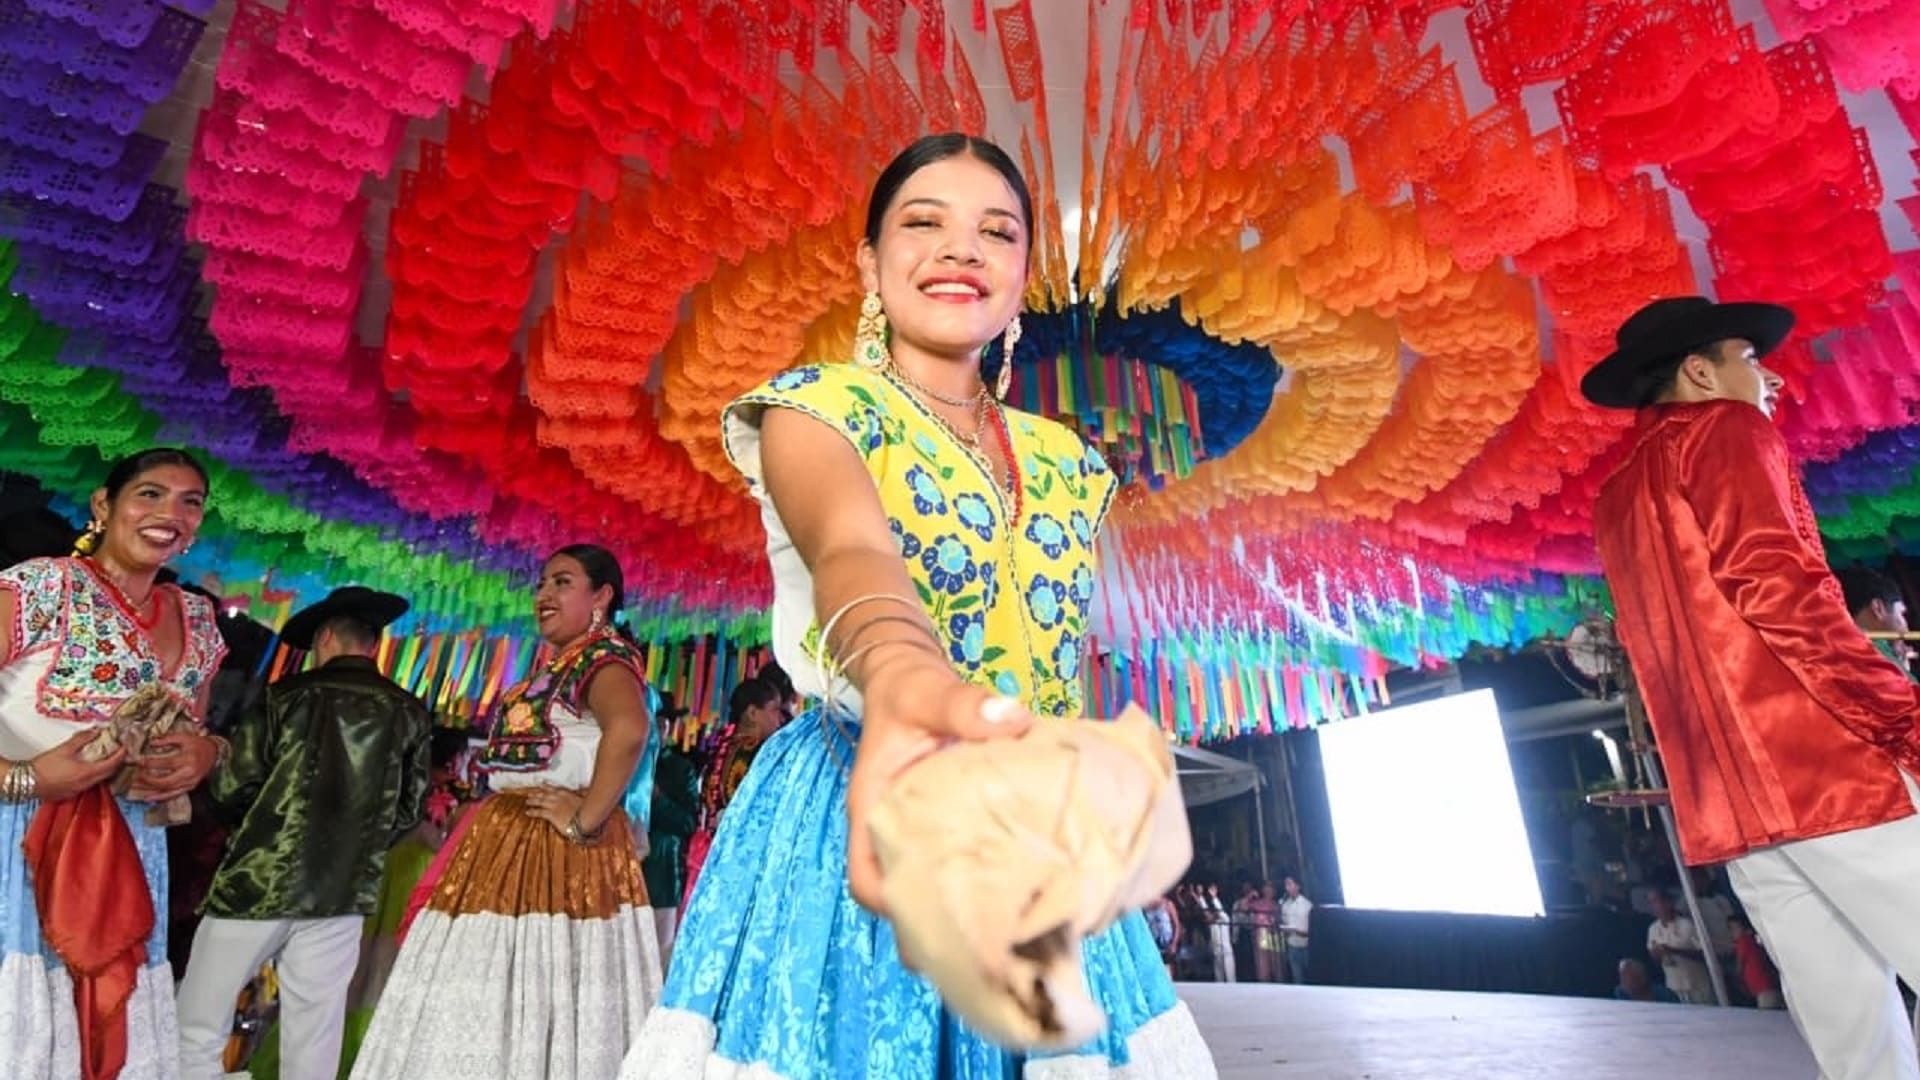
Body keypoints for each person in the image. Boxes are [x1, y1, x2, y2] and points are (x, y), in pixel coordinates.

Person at [622, 134, 1214, 1077]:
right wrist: (902, 675)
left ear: (1024, 273)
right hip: (856, 806)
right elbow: (853, 551)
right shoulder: (815, 410)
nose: (961, 249)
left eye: (998, 232)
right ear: (870, 263)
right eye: (924, 222)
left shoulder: (1070, 463)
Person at [1586, 296, 1920, 1075]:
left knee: (1855, 1041)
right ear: (1700, 373)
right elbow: (1779, 588)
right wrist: (1899, 715)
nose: (1769, 379)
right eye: (1751, 359)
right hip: (1824, 770)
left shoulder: (1618, 498)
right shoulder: (1726, 430)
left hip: (1728, 803)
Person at [349, 544, 663, 1080]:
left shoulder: (603, 661)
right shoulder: (560, 666)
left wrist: (585, 818)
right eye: (541, 584)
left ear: (602, 597)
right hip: (510, 848)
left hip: (557, 855)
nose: (544, 594)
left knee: (534, 983)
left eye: (562, 582)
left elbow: (631, 729)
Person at [0, 448, 229, 1079]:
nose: (170, 514)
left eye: (190, 503)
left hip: (134, 853)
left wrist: (207, 753)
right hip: (16, 845)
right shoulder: (42, 587)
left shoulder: (198, 620)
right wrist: (25, 777)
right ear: (103, 505)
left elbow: (196, 728)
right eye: (150, 494)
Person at [176, 586, 432, 1080]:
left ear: (326, 637)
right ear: (374, 644)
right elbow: (408, 811)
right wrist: (356, 847)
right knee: (314, 1036)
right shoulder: (408, 711)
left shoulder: (285, 696)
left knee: (197, 1025)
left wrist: (255, 830)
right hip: (342, 892)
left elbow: (232, 787)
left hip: (259, 881)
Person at [678, 675, 785, 907]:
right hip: (743, 855)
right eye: (775, 710)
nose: (780, 719)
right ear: (753, 713)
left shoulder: (719, 743)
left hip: (708, 849)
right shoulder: (764, 752)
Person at [643, 693, 698, 967]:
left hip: (661, 875)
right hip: (619, 872)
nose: (657, 730)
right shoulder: (620, 760)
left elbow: (688, 823)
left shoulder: (680, 769)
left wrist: (658, 799)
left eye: (663, 724)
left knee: (658, 958)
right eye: (651, 723)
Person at [1839, 564, 1914, 675]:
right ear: (1878, 608)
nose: (1906, 629)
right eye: (1902, 614)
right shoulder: (1875, 660)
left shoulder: (1836, 652)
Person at [1645, 890, 1712, 1005]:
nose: (1654, 907)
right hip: (1673, 988)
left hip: (1697, 986)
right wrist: (1657, 954)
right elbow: (1655, 959)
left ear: (1668, 902)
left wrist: (1674, 951)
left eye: (1656, 901)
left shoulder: (1687, 924)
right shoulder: (1653, 929)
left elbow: (1705, 955)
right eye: (1651, 903)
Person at [1728, 915, 1784, 1010]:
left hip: (1763, 988)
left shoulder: (1744, 941)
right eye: (1730, 929)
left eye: (1735, 928)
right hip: (1768, 986)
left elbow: (1740, 965)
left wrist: (1737, 979)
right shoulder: (1753, 940)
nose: (1732, 932)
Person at [1244, 882, 1284, 983]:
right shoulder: (1257, 903)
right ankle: (1264, 986)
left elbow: (1280, 920)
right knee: (1263, 967)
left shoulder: (1277, 905)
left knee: (1277, 967)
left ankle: (1279, 987)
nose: (1269, 890)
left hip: (1275, 935)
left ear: (1274, 891)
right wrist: (1249, 896)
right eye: (1267, 887)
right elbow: (1243, 907)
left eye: (1271, 888)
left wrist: (1274, 921)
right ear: (1263, 889)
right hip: (1261, 935)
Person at [1279, 876, 1312, 985]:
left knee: (1310, 977)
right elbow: (1285, 922)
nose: (1287, 887)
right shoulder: (1285, 905)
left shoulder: (1307, 905)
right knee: (1297, 979)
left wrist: (1299, 931)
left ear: (1297, 886)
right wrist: (1285, 929)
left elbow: (1311, 929)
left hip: (1306, 946)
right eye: (1286, 884)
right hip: (1292, 946)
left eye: (1290, 884)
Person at [1143, 891, 1182, 981]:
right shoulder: (1145, 906)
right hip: (1152, 942)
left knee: (1167, 971)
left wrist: (1174, 943)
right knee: (1154, 971)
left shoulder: (1168, 904)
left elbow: (1176, 925)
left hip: (1166, 941)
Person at [1613, 958, 1681, 1004]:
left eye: (1627, 976)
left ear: (1641, 978)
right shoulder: (1621, 992)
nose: (1622, 980)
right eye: (1622, 976)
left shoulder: (1665, 995)